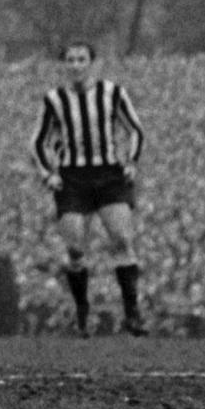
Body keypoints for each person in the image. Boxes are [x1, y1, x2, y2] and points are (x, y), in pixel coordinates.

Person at [28, 40, 149, 336]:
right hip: (72, 179)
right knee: (74, 248)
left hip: (108, 175)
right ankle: (82, 309)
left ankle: (132, 314)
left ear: (92, 63)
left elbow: (135, 129)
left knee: (121, 238)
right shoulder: (54, 99)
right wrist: (48, 175)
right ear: (64, 65)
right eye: (71, 60)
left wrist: (131, 162)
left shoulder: (113, 93)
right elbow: (37, 141)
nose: (76, 65)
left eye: (82, 59)